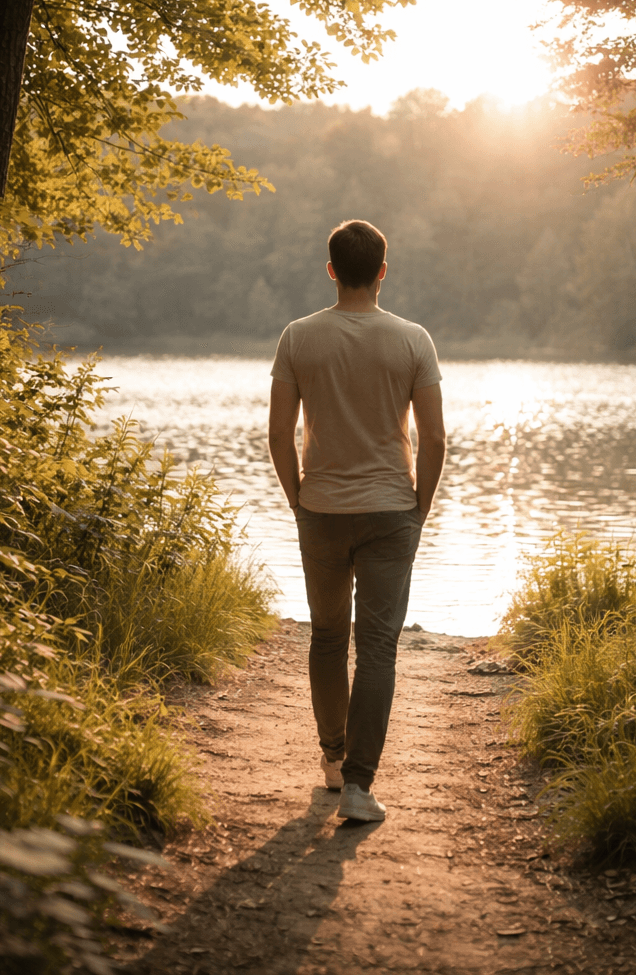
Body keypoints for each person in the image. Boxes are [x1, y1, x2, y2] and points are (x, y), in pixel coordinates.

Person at [267, 219, 446, 823]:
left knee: (325, 636)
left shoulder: (298, 337)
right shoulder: (414, 340)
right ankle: (359, 786)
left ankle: (331, 759)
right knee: (376, 649)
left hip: (321, 508)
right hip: (392, 510)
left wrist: (298, 499)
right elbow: (435, 438)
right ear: (383, 272)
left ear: (331, 270)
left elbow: (278, 435)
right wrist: (419, 505)